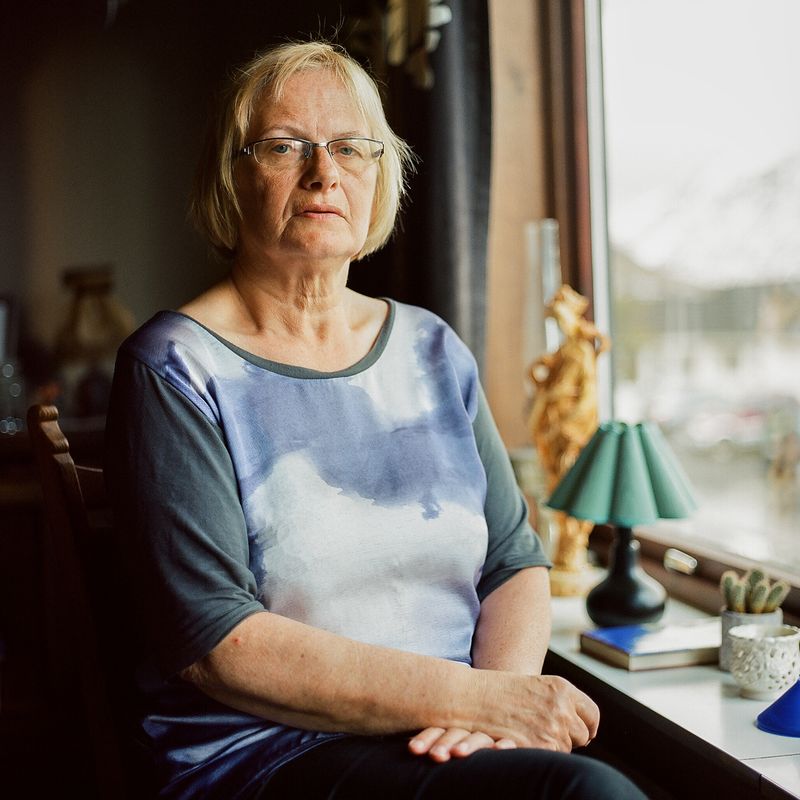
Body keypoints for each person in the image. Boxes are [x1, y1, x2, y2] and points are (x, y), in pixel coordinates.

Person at [105, 39, 646, 800]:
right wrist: (475, 701)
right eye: (287, 145)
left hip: (444, 741)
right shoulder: (173, 367)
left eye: (353, 147)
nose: (325, 172)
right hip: (266, 756)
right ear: (231, 176)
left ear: (380, 175)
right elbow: (215, 642)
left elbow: (513, 563)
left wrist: (490, 715)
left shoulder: (431, 348)